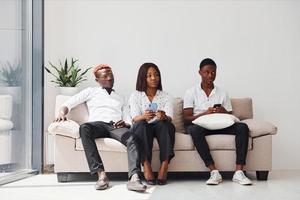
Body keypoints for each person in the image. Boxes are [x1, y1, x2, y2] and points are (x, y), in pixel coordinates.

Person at [54, 64, 147, 192]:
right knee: (84, 128)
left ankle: (134, 178)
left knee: (132, 138)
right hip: (97, 125)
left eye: (111, 75)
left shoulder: (121, 97)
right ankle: (101, 175)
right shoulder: (91, 91)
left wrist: (125, 124)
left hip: (115, 126)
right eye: (105, 76)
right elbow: (69, 103)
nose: (109, 78)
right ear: (97, 80)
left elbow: (127, 118)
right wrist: (61, 113)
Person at [183, 58, 252, 185]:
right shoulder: (191, 92)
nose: (210, 75)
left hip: (220, 125)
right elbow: (186, 118)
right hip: (201, 126)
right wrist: (205, 113)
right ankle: (214, 172)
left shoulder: (223, 93)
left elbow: (230, 117)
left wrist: (223, 111)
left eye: (213, 72)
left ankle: (238, 172)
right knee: (193, 129)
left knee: (242, 127)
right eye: (207, 72)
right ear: (200, 72)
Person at [129, 63, 175, 185]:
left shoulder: (166, 96)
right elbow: (134, 118)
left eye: (156, 75)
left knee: (167, 125)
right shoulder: (136, 95)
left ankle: (164, 165)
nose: (154, 78)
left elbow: (170, 117)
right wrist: (144, 116)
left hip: (160, 125)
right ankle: (146, 164)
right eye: (149, 75)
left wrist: (164, 116)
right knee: (140, 125)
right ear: (143, 78)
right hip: (143, 125)